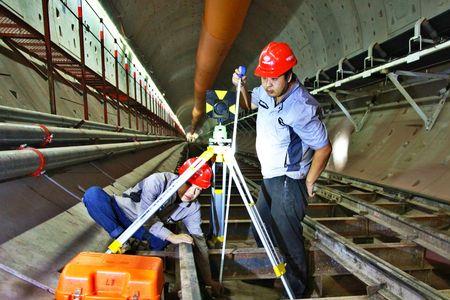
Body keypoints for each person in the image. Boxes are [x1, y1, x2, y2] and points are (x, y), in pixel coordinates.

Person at [232, 42, 332, 297]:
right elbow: (248, 105)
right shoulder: (266, 92)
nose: (267, 84)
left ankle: (296, 289)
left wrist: (309, 181)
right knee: (260, 227)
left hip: (289, 178)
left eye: (274, 78)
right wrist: (242, 86)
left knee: (287, 234)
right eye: (264, 77)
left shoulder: (301, 107)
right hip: (270, 177)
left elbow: (323, 148)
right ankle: (269, 273)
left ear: (288, 75)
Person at [82, 157, 222, 294]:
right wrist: (172, 236)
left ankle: (150, 269)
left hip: (144, 229)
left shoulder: (192, 208)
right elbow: (146, 216)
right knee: (92, 195)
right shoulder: (158, 181)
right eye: (189, 184)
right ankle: (120, 238)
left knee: (161, 242)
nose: (192, 192)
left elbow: (199, 241)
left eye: (198, 189)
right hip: (122, 214)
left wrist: (209, 280)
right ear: (180, 177)